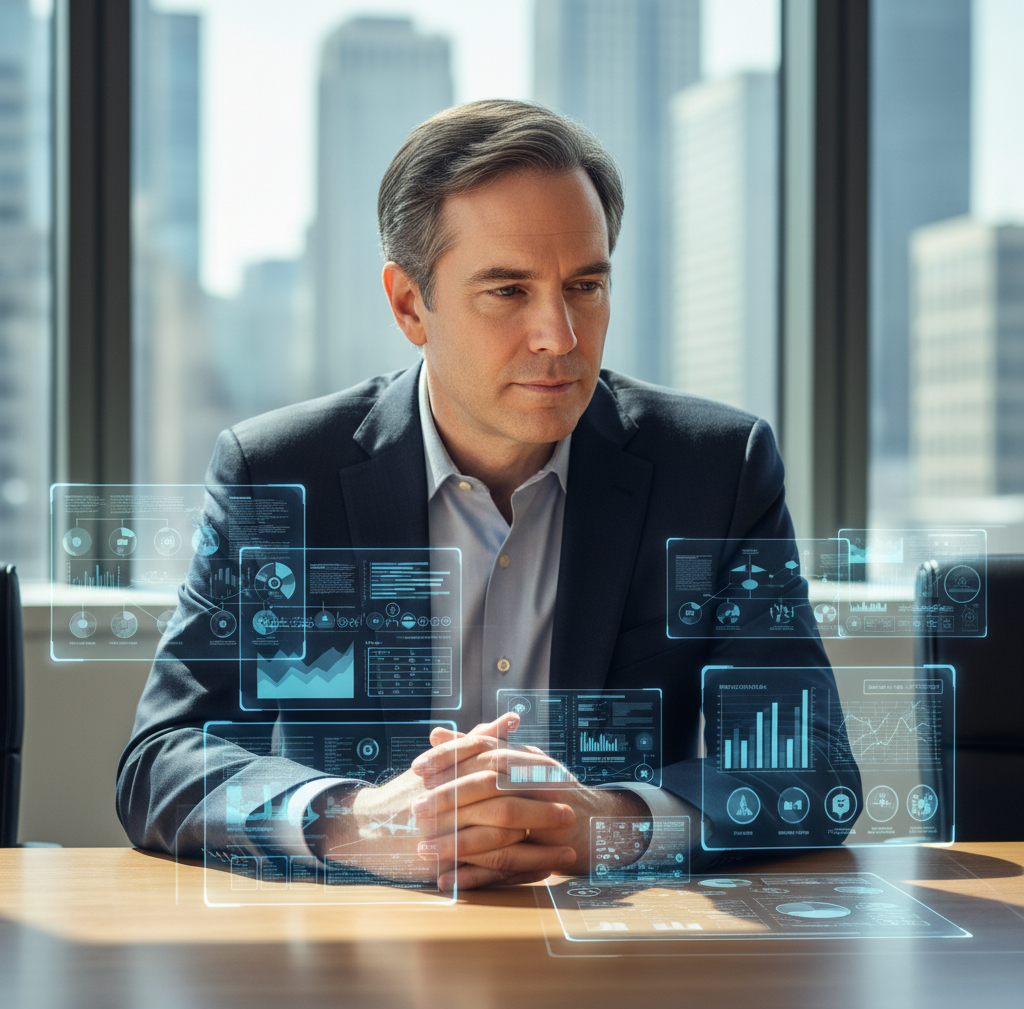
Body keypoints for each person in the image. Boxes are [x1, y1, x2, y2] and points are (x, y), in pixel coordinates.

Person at [117, 99, 859, 891]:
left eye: (585, 285)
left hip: (615, 953)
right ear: (409, 305)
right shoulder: (282, 473)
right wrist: (357, 822)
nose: (560, 336)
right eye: (508, 291)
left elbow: (809, 767)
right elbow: (163, 759)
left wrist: (603, 824)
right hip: (357, 949)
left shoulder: (714, 470)